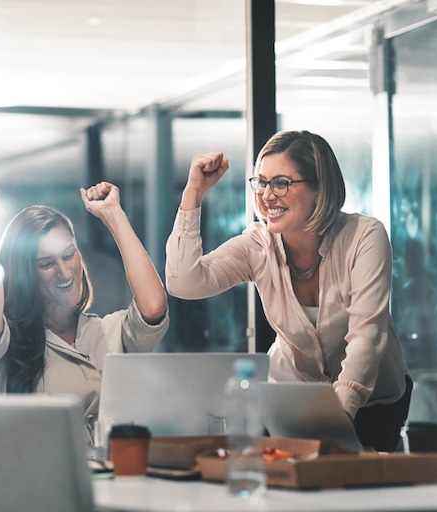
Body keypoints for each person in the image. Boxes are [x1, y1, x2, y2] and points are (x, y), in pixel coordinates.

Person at [166, 130, 412, 452]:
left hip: (373, 401)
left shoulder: (364, 236)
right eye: (262, 183)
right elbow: (183, 282)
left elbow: (367, 337)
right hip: (294, 400)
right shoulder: (257, 246)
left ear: (319, 189)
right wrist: (193, 193)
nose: (267, 195)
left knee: (355, 492)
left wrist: (333, 424)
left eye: (281, 183)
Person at [0, 182, 169, 417]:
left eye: (69, 255)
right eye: (46, 264)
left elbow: (154, 305)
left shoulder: (106, 331)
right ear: (24, 274)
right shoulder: (8, 342)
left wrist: (114, 215)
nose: (64, 271)